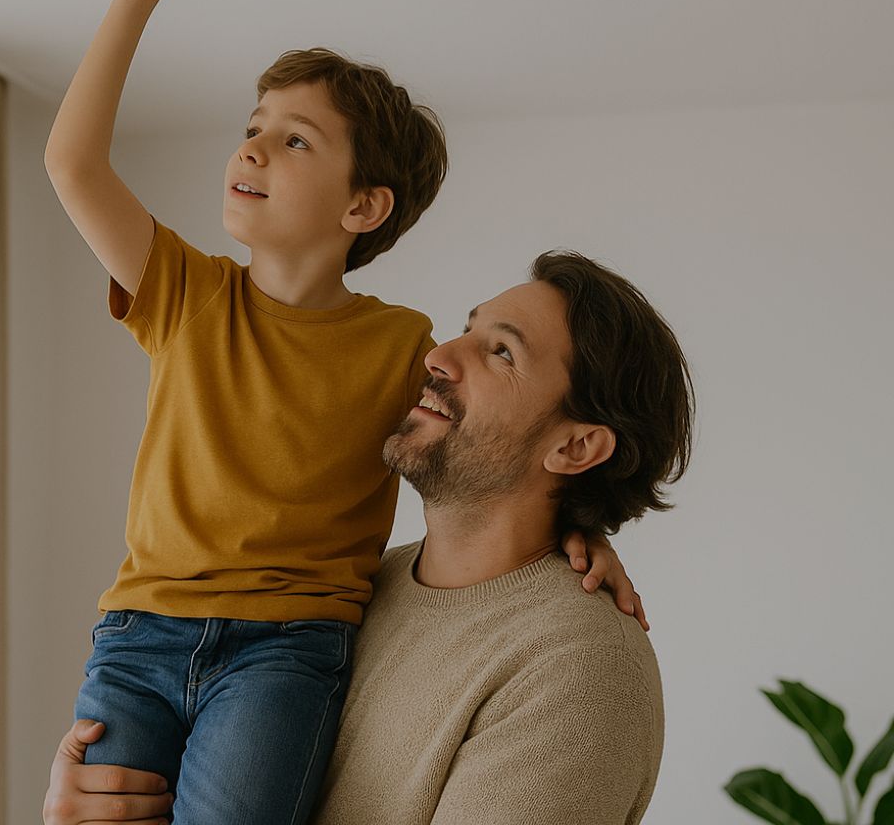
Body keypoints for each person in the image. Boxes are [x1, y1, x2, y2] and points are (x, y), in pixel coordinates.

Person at [42, 0, 644, 824]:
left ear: (363, 209)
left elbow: (495, 451)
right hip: (138, 633)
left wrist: (585, 527)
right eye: (252, 130)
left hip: (287, 651)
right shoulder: (188, 295)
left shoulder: (398, 346)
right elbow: (72, 163)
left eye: (294, 141)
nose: (252, 150)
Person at [41, 252, 694, 825]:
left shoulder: (579, 668)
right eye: (467, 329)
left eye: (501, 351)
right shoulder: (340, 594)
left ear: (577, 445)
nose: (438, 356)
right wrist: (96, 805)